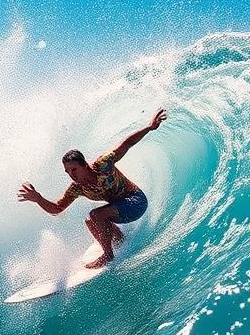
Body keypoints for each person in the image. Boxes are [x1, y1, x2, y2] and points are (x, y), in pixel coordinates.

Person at [18, 109, 167, 268]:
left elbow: (126, 144)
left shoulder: (104, 164)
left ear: (84, 165)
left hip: (136, 202)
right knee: (90, 221)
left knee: (95, 214)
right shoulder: (77, 188)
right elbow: (57, 209)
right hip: (121, 212)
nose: (71, 174)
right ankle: (119, 240)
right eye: (67, 172)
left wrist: (149, 127)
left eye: (74, 169)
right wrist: (38, 198)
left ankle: (108, 255)